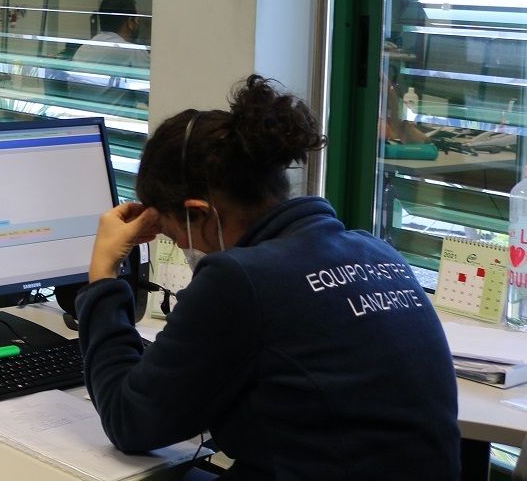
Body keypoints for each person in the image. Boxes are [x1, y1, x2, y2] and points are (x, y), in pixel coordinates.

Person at [75, 75, 459, 480]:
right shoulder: (375, 250)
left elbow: (128, 421)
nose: (182, 248)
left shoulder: (239, 278)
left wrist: (103, 276)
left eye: (172, 234)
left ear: (200, 212)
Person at [67, 0, 149, 106]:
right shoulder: (132, 51)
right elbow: (150, 96)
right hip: (114, 122)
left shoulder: (84, 48)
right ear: (130, 22)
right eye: (137, 21)